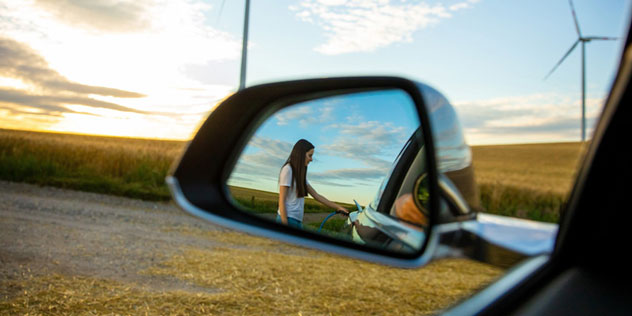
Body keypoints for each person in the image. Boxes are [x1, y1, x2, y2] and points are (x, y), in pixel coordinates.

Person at [277, 139, 348, 228]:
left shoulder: (299, 174)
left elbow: (316, 196)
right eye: (310, 155)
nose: (311, 159)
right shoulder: (288, 170)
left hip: (297, 221)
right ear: (301, 154)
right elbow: (281, 200)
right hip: (287, 219)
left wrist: (338, 207)